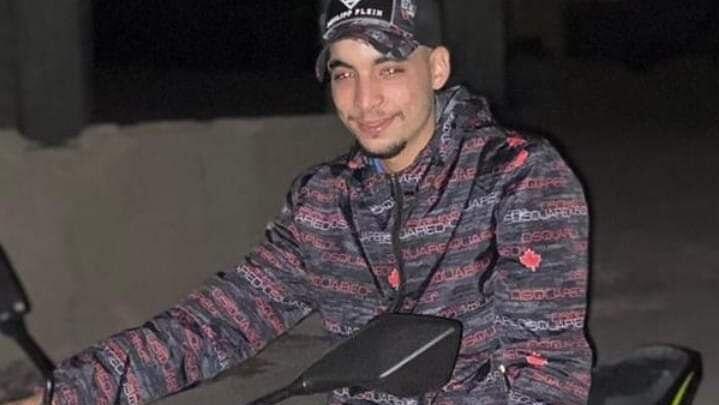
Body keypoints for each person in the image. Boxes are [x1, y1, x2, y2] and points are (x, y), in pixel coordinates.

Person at [9, 0, 593, 403]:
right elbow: (219, 322)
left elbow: (547, 374)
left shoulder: (518, 178)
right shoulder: (325, 203)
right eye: (345, 74)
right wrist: (65, 394)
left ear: (436, 67)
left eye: (388, 69)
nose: (365, 101)